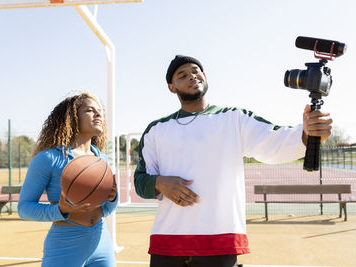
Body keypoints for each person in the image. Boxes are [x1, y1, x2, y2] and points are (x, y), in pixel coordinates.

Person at [134, 55, 333, 267]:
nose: (191, 76)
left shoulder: (234, 118)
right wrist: (160, 183)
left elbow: (276, 142)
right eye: (182, 75)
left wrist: (307, 133)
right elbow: (140, 181)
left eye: (195, 71)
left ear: (205, 76)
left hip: (219, 240)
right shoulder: (157, 129)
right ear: (172, 87)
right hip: (168, 242)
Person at [18, 92, 118, 267]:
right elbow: (24, 208)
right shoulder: (48, 158)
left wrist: (112, 198)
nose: (98, 114)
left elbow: (106, 209)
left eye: (100, 111)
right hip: (65, 245)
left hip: (101, 243)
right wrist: (60, 209)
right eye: (89, 110)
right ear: (72, 117)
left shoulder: (102, 159)